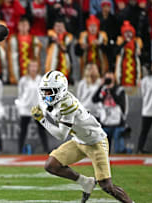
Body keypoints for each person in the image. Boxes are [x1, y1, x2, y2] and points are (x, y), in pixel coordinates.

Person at [31, 70, 133, 203]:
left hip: (95, 142)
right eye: (44, 91)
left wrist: (42, 120)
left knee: (107, 186)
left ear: (61, 90)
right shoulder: (52, 100)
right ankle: (86, 182)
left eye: (50, 91)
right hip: (79, 140)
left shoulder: (67, 103)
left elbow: (61, 135)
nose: (46, 95)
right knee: (51, 165)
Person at [16, 60, 48, 154]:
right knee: (23, 130)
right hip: (26, 109)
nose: (33, 68)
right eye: (32, 66)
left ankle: (46, 149)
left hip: (38, 108)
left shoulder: (41, 80)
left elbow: (44, 94)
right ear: (28, 68)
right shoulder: (23, 80)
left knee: (42, 130)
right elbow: (20, 94)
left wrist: (44, 108)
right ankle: (19, 150)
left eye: (35, 66)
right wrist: (21, 106)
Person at [92, 71, 129, 153]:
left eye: (110, 78)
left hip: (117, 123)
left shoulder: (119, 89)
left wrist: (111, 90)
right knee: (104, 151)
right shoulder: (102, 89)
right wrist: (101, 86)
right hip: (105, 122)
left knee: (118, 150)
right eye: (107, 78)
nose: (108, 80)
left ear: (114, 78)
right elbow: (94, 99)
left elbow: (121, 102)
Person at [7, 17, 41, 84]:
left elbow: (37, 57)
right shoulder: (13, 39)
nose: (23, 27)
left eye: (25, 25)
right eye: (21, 25)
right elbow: (10, 56)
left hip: (30, 68)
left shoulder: (34, 39)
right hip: (17, 67)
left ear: (29, 26)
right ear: (18, 26)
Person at [115, 21, 142, 87]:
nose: (128, 34)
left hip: (134, 67)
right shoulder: (120, 41)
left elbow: (142, 56)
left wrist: (140, 53)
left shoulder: (137, 42)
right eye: (126, 32)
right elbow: (115, 52)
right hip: (122, 67)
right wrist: (124, 43)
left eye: (129, 32)